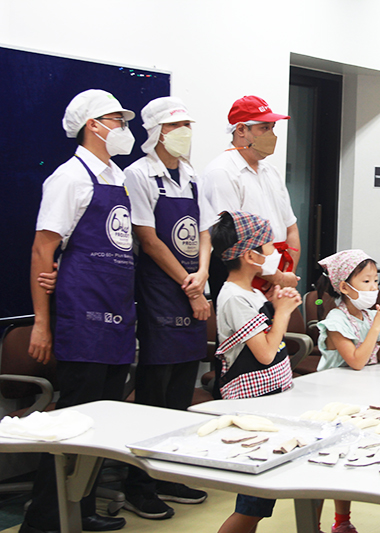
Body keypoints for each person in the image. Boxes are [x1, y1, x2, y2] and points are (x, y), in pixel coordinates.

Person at [23, 89, 137, 533]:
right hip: (82, 316)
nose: (124, 129)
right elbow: (42, 250)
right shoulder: (69, 178)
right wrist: (41, 323)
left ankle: (82, 509)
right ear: (94, 125)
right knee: (75, 424)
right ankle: (46, 521)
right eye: (117, 119)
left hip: (116, 317)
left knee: (103, 424)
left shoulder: (117, 176)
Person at [121, 97, 211, 519]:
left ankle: (169, 473)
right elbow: (149, 238)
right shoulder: (138, 175)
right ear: (157, 130)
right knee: (154, 391)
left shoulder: (191, 176)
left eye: (188, 124)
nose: (185, 132)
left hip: (194, 285)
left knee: (180, 389)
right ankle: (139, 483)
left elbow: (205, 234)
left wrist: (203, 276)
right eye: (178, 125)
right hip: (161, 290)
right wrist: (189, 286)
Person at [211, 211, 301, 533]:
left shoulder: (249, 293)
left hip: (270, 401)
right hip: (252, 405)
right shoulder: (233, 297)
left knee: (259, 501)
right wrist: (283, 312)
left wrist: (276, 303)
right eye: (267, 247)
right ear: (250, 256)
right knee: (253, 503)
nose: (273, 253)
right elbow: (264, 353)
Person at [311, 250, 380, 533]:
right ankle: (311, 524)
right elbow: (357, 361)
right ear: (345, 287)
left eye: (376, 281)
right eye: (366, 281)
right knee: (323, 466)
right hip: (331, 400)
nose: (374, 288)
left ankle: (343, 521)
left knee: (346, 458)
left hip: (357, 395)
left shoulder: (368, 315)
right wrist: (375, 327)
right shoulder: (336, 319)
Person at [203, 95, 300, 305]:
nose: (271, 135)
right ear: (240, 130)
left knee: (276, 337)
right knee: (246, 337)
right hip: (241, 275)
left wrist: (285, 276)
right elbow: (233, 243)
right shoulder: (222, 172)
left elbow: (291, 227)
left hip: (277, 273)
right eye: (264, 128)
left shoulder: (270, 171)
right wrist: (278, 278)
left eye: (273, 128)